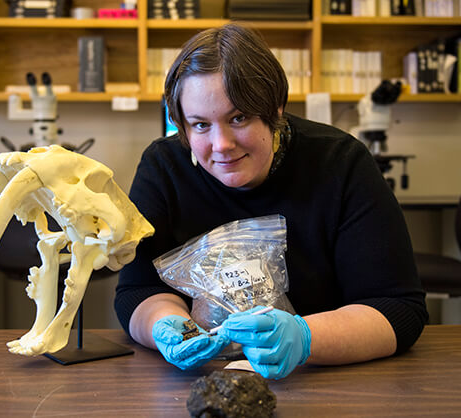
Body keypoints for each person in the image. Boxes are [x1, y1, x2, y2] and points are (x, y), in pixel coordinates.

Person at [114, 23, 428, 379]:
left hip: (328, 383)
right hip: (195, 383)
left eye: (239, 117)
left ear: (276, 108)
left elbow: (399, 309)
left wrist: (306, 339)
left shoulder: (340, 163)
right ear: (181, 125)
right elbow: (137, 290)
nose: (221, 144)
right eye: (200, 125)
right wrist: (168, 324)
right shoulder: (164, 167)